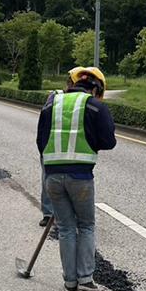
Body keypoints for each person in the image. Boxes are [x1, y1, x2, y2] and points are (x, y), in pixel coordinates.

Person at [37, 67, 116, 291]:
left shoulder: (51, 104)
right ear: (96, 88)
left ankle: (70, 282)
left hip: (52, 176)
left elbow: (40, 140)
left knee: (66, 229)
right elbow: (109, 141)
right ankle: (85, 278)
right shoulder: (95, 106)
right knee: (86, 225)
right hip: (80, 177)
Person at [38, 66, 85, 227]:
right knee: (48, 180)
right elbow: (44, 123)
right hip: (53, 146)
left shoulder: (84, 101)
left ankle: (69, 213)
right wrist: (43, 148)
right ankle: (48, 213)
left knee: (70, 182)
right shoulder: (55, 97)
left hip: (74, 147)